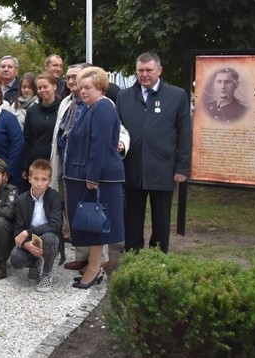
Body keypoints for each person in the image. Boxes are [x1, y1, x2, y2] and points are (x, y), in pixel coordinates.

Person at [116, 52, 191, 253]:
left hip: (163, 169)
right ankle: (133, 254)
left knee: (161, 218)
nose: (144, 74)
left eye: (149, 70)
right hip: (132, 167)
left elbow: (185, 133)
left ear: (159, 70)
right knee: (132, 217)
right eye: (140, 70)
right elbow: (118, 129)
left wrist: (182, 167)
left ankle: (158, 258)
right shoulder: (123, 97)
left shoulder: (177, 96)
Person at [64, 66, 125, 289]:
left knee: (97, 226)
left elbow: (99, 146)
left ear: (100, 87)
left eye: (87, 87)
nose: (83, 91)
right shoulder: (90, 108)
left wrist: (93, 176)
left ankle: (93, 269)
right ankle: (93, 266)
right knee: (91, 226)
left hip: (97, 180)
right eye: (81, 88)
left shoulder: (103, 108)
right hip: (86, 178)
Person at [7, 159, 62, 292]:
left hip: (48, 236)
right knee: (15, 259)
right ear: (29, 178)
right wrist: (26, 244)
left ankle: (47, 273)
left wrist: (27, 232)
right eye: (36, 178)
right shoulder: (21, 199)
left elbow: (55, 225)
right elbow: (18, 229)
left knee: (49, 239)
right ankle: (35, 262)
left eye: (44, 179)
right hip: (31, 240)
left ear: (49, 181)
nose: (39, 183)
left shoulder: (54, 196)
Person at [21, 72, 61, 182]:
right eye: (39, 88)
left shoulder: (62, 109)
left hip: (55, 162)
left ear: (54, 86)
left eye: (45, 87)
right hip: (35, 161)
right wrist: (25, 166)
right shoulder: (32, 111)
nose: (42, 90)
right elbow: (27, 139)